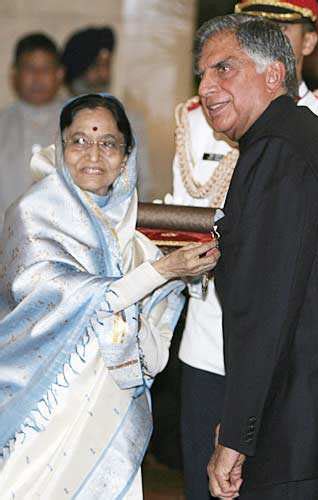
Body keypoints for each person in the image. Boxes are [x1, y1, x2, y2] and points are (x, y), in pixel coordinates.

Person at [173, 2, 318, 498]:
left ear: (274, 73)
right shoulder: (295, 140)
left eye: (224, 68)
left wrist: (237, 433)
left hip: (308, 424)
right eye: (202, 73)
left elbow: (267, 304)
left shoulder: (280, 152)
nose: (205, 87)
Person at [0, 93, 219, 499]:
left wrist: (180, 274)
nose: (92, 155)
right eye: (79, 141)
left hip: (110, 397)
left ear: (126, 155)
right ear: (60, 146)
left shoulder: (126, 222)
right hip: (48, 397)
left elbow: (151, 303)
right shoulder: (34, 212)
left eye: (108, 143)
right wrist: (163, 270)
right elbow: (68, 296)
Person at [62, 27, 151, 201]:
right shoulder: (56, 117)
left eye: (107, 65)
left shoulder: (129, 119)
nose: (103, 74)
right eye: (96, 65)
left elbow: (144, 183)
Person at [0, 32, 64, 232]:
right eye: (29, 68)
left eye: (46, 68)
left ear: (59, 74)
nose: (38, 77)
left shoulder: (76, 125)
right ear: (15, 74)